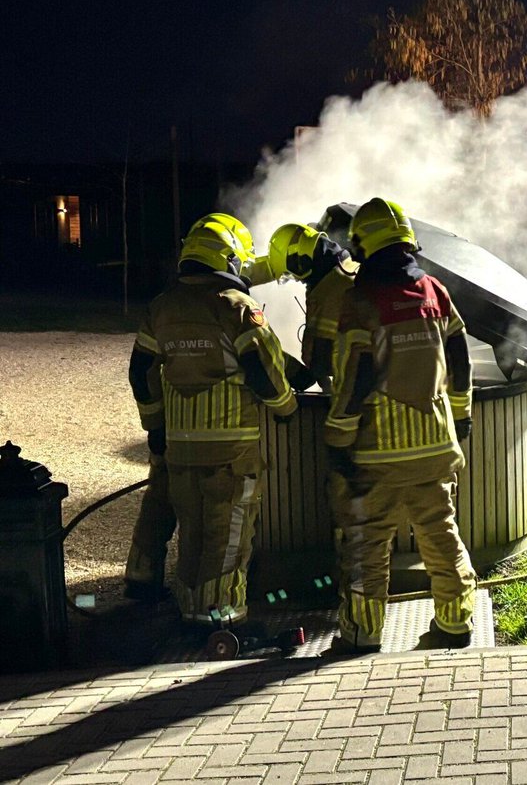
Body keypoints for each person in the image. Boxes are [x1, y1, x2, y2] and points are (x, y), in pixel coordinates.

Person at [128, 215, 296, 628]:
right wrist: (287, 406)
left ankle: (190, 609)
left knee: (193, 533)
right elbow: (264, 370)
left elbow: (140, 371)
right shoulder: (236, 307)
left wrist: (156, 428)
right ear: (228, 259)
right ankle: (220, 618)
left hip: (181, 449)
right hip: (230, 452)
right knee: (227, 537)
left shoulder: (162, 307)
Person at [323, 198, 475, 652]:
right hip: (433, 445)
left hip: (376, 453)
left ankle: (362, 634)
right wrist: (461, 418)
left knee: (367, 545)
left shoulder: (360, 301)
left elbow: (356, 375)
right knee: (441, 535)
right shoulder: (434, 290)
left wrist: (338, 437)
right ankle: (454, 624)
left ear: (363, 247)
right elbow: (461, 360)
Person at [267, 223, 358, 392]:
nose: (295, 279)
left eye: (290, 273)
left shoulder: (331, 287)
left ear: (299, 261)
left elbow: (319, 360)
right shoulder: (341, 273)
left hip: (354, 394)